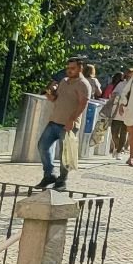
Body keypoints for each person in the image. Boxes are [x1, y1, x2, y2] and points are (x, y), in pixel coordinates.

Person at [38, 58, 92, 190]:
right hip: (54, 120)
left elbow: (83, 104)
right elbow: (57, 99)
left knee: (65, 154)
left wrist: (72, 120)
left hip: (68, 124)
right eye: (68, 68)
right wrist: (49, 95)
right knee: (42, 146)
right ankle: (49, 174)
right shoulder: (64, 81)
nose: (69, 70)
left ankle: (62, 181)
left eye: (73, 68)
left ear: (80, 68)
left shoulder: (84, 84)